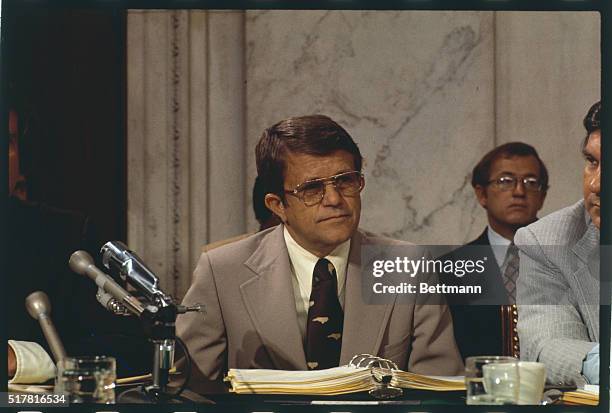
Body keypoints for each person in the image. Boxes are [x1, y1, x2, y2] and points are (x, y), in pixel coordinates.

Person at [177, 115, 463, 390]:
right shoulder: (222, 270)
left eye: (345, 181)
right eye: (312, 189)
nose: (335, 200)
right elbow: (188, 389)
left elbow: (441, 389)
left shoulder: (409, 265)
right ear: (277, 205)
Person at [516, 101, 601, 385]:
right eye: (592, 162)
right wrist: (605, 363)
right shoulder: (548, 241)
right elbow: (546, 346)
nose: (596, 185)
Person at [447, 143, 548, 360]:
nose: (519, 191)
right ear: (481, 194)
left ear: (542, 196)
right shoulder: (449, 269)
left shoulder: (565, 260)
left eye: (531, 183)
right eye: (505, 181)